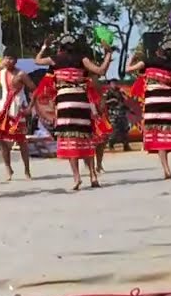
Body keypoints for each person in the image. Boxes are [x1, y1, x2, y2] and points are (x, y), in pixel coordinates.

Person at [35, 34, 113, 190]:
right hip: (81, 102)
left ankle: (77, 178)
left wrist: (45, 46)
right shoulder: (82, 59)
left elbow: (37, 61)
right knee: (86, 138)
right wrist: (108, 54)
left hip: (65, 102)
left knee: (70, 140)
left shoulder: (56, 59)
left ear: (61, 47)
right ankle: (93, 176)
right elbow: (101, 70)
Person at [126, 39, 171, 180]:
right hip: (169, 104)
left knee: (159, 138)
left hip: (153, 104)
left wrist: (131, 58)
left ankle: (166, 170)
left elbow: (129, 69)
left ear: (159, 51)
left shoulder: (149, 61)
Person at [0, 47, 36, 181]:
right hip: (3, 109)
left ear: (15, 61)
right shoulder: (1, 73)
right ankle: (8, 168)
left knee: (22, 141)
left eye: (11, 58)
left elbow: (35, 90)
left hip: (18, 110)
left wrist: (29, 108)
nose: (8, 61)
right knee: (1, 140)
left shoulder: (21, 74)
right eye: (6, 58)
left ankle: (27, 171)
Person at [102, 80, 132, 152]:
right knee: (115, 130)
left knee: (125, 129)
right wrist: (112, 100)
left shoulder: (120, 91)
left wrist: (123, 94)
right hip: (113, 113)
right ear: (110, 84)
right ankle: (111, 143)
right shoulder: (108, 92)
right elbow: (103, 102)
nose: (114, 84)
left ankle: (126, 145)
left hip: (122, 112)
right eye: (112, 83)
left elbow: (127, 99)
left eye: (115, 83)